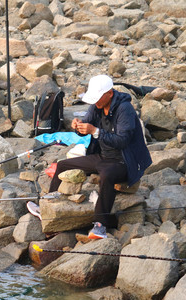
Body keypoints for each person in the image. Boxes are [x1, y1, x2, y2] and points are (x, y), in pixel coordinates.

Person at [43, 74, 152, 239]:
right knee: (64, 165)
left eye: (98, 98)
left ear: (109, 93)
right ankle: (47, 201)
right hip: (102, 156)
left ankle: (100, 225)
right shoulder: (97, 106)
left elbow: (122, 141)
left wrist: (95, 131)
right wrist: (78, 127)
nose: (95, 102)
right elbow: (85, 129)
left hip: (124, 161)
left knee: (106, 175)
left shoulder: (125, 109)